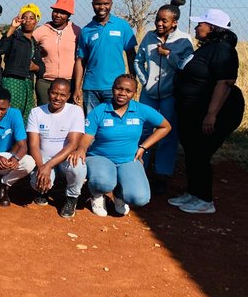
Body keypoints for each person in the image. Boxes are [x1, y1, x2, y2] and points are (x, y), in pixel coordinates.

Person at [169, 9, 244, 214]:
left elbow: (225, 83)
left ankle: (205, 200)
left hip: (216, 112)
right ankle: (193, 192)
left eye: (200, 24)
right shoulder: (207, 48)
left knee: (201, 152)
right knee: (192, 151)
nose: (196, 27)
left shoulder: (223, 50)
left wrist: (211, 114)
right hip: (193, 111)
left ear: (212, 27)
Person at [69, 74, 171, 217]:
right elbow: (87, 137)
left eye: (128, 91)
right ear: (112, 89)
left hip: (129, 159)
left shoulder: (141, 109)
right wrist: (81, 148)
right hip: (100, 157)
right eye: (119, 89)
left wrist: (143, 147)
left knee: (140, 198)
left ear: (134, 93)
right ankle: (97, 194)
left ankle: (119, 195)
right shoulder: (101, 110)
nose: (122, 93)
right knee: (104, 183)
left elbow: (165, 127)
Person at [133, 0, 194, 193]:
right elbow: (137, 62)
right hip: (149, 94)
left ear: (174, 22)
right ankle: (139, 168)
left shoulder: (184, 40)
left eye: (164, 21)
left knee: (168, 133)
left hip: (170, 95)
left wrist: (170, 55)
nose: (159, 23)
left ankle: (162, 173)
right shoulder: (149, 37)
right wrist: (145, 82)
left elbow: (187, 66)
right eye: (157, 19)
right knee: (143, 131)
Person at [27, 78, 87, 218]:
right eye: (54, 93)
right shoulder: (36, 112)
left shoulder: (75, 111)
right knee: (37, 183)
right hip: (43, 158)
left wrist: (48, 166)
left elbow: (73, 144)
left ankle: (72, 197)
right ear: (48, 92)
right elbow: (34, 145)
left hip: (65, 157)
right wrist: (42, 167)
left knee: (77, 166)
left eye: (62, 95)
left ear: (69, 95)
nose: (57, 98)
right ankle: (43, 191)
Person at [73, 0, 137, 113]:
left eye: (106, 3)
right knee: (92, 125)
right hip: (91, 88)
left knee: (113, 124)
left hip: (116, 87)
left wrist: (133, 79)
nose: (102, 7)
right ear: (92, 5)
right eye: (98, 4)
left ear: (111, 4)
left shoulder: (122, 26)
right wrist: (77, 88)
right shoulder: (86, 30)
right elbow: (81, 60)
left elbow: (131, 54)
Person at [0, 4, 45, 122]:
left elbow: (42, 69)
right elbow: (0, 49)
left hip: (27, 85)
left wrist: (35, 67)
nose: (28, 21)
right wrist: (12, 28)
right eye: (25, 17)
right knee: (10, 116)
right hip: (12, 82)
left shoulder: (34, 43)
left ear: (36, 21)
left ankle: (20, 140)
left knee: (25, 117)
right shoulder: (14, 37)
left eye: (31, 18)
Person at [33, 0, 81, 105]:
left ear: (69, 15)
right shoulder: (41, 31)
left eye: (63, 12)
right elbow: (27, 47)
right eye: (56, 11)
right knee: (45, 113)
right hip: (46, 81)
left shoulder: (76, 31)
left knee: (66, 116)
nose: (58, 15)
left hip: (68, 82)